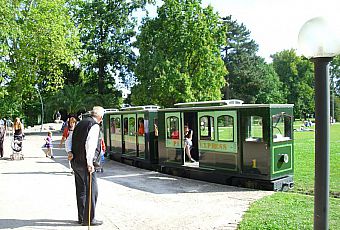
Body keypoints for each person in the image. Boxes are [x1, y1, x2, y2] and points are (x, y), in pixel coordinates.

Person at [66, 106, 104, 226]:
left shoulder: (80, 123)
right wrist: (89, 163)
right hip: (85, 163)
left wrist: (69, 151)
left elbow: (69, 140)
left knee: (81, 190)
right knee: (92, 191)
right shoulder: (94, 125)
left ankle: (82, 217)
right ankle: (89, 219)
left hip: (75, 162)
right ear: (100, 117)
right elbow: (90, 145)